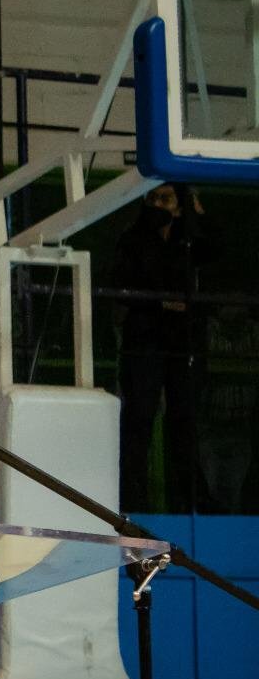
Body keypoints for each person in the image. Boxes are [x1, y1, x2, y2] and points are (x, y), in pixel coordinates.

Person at [111, 182, 210, 513]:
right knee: (139, 419)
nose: (157, 205)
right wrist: (162, 304)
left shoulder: (187, 240)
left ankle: (188, 501)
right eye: (152, 198)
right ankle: (133, 502)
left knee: (183, 420)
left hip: (182, 341)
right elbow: (124, 280)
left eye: (165, 199)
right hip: (145, 339)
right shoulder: (135, 237)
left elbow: (216, 249)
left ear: (179, 205)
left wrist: (197, 213)